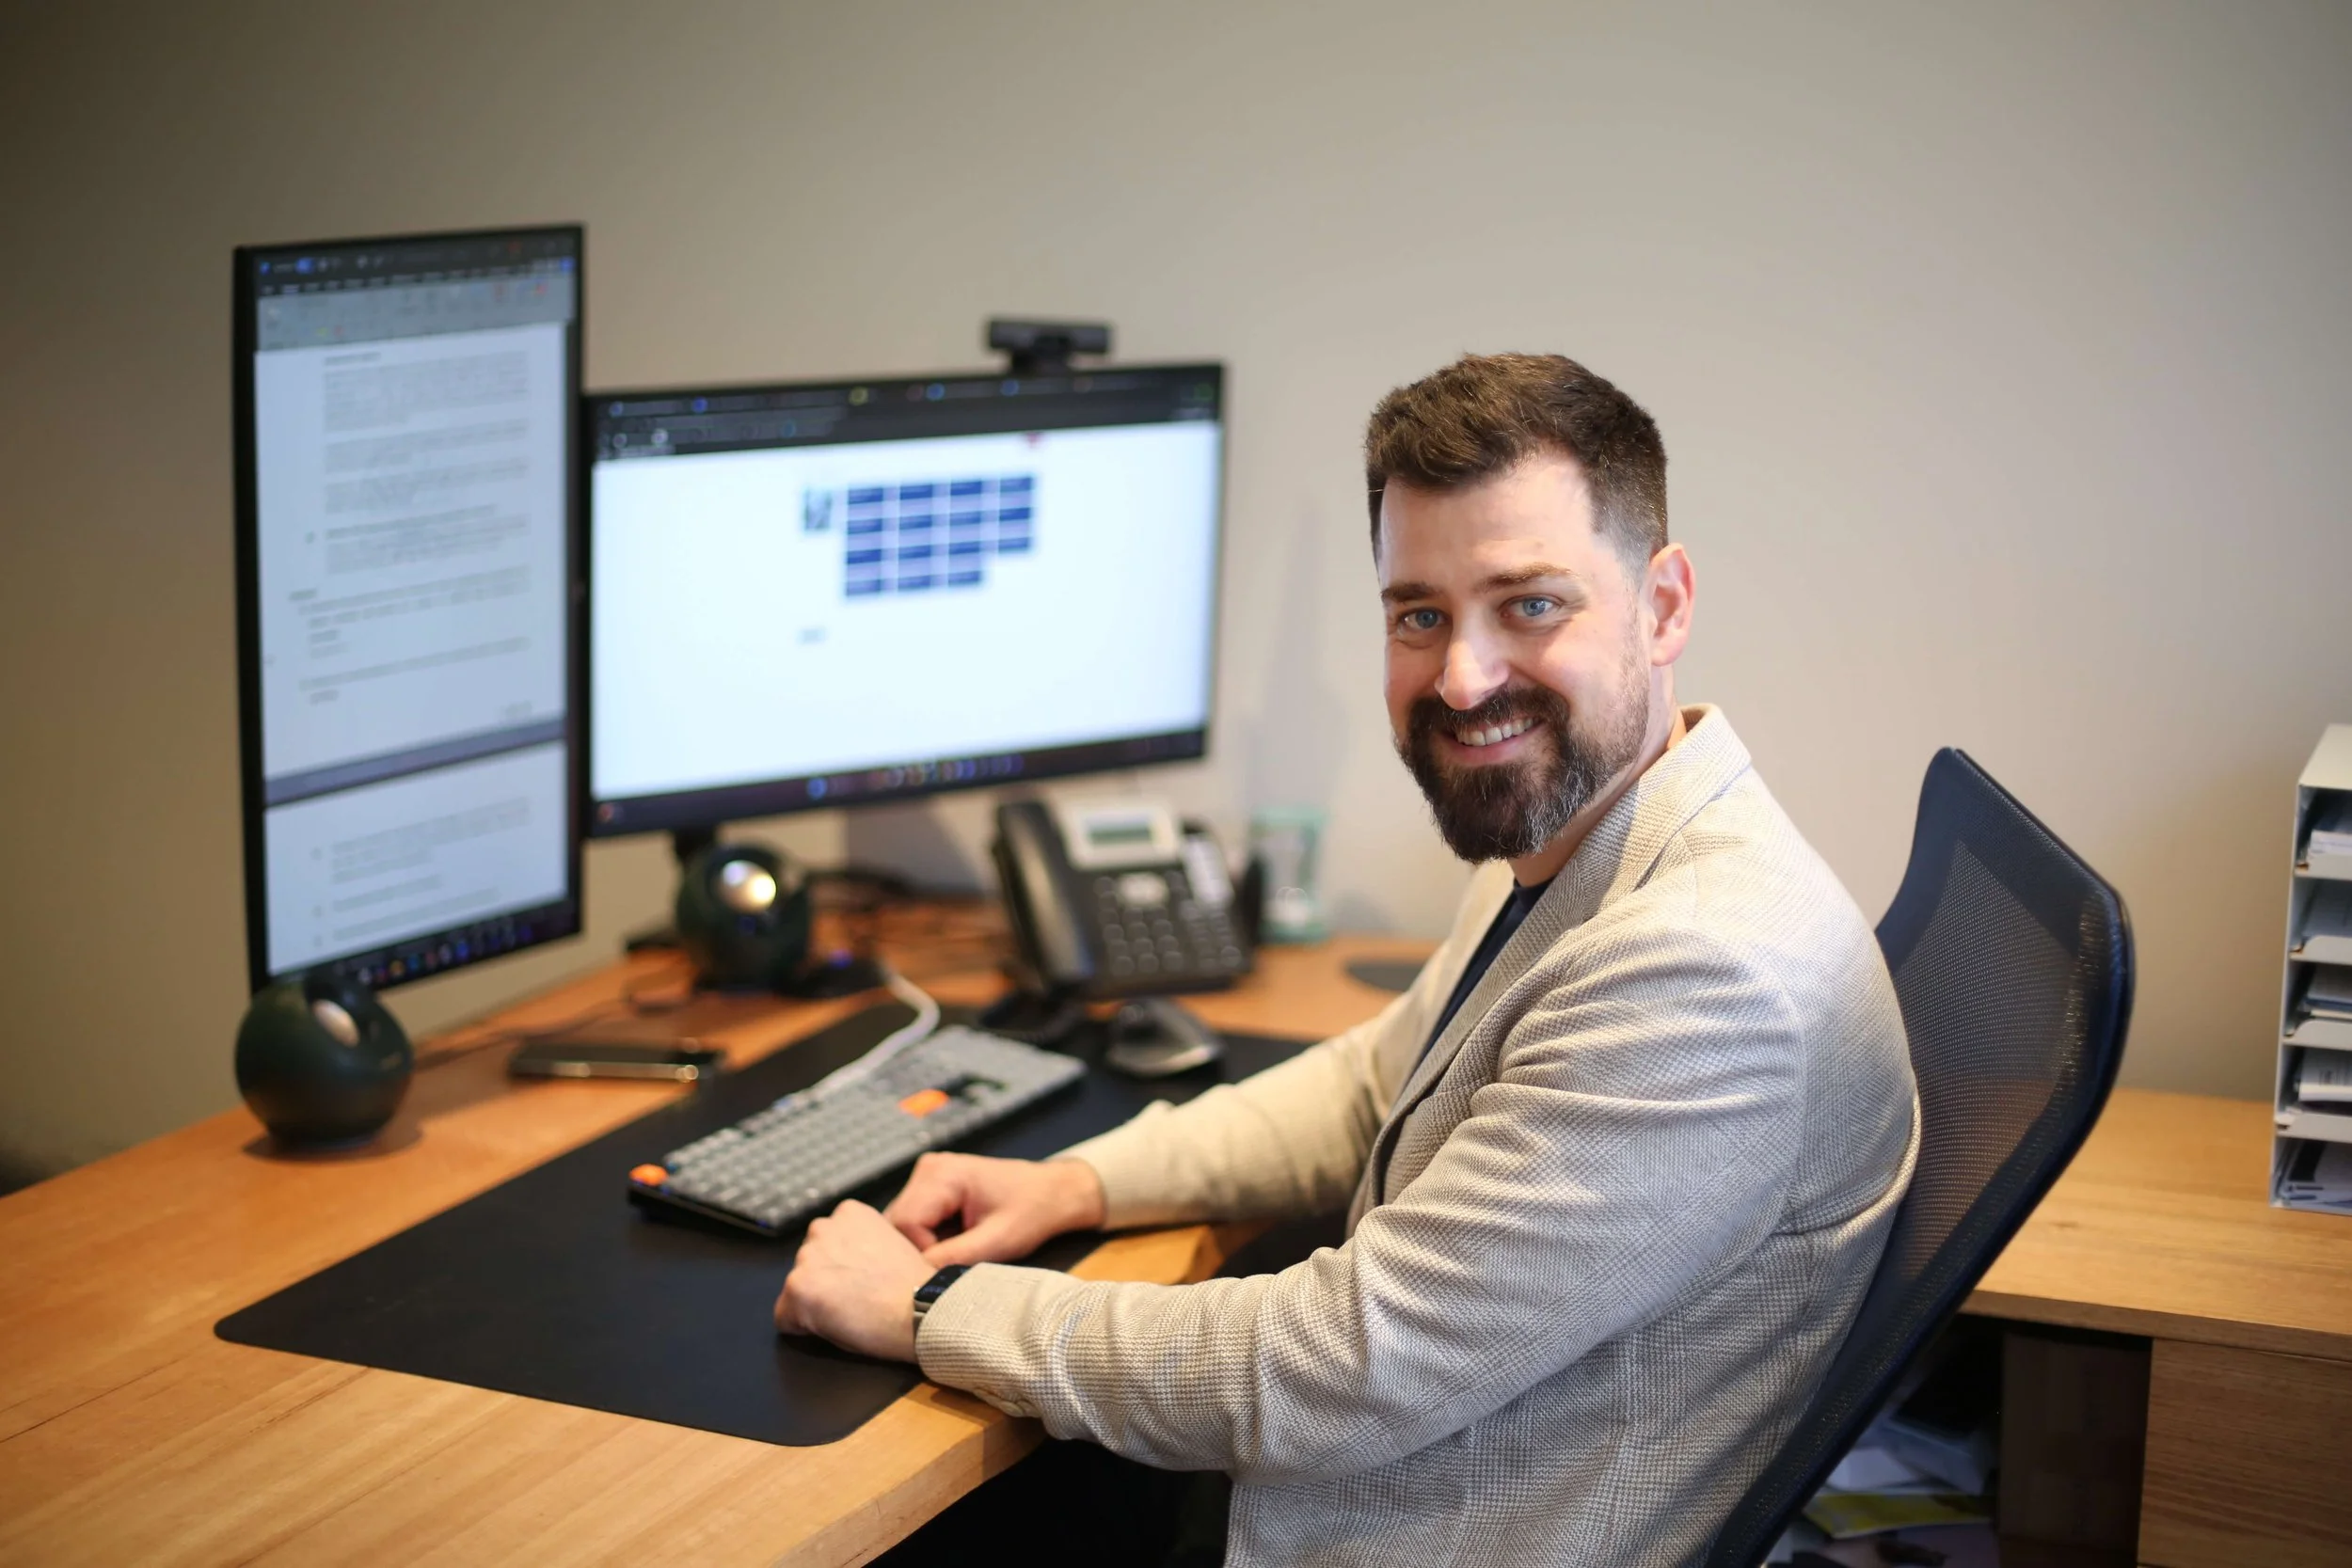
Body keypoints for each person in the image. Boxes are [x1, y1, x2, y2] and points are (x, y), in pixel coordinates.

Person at [775, 353, 1919, 1567]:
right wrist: (1082, 1182)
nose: (1465, 679)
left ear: (1666, 603)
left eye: (1531, 604)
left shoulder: (1704, 978)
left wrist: (926, 1309)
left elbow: (1338, 1369)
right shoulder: (1585, 830)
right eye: (1419, 614)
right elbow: (1382, 1079)